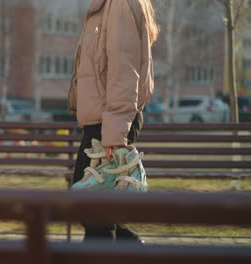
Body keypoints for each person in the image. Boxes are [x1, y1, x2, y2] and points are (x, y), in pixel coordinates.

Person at [67, 0, 159, 242]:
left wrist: (115, 135)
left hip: (109, 121)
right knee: (95, 207)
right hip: (105, 119)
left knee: (91, 206)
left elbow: (123, 70)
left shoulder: (118, 4)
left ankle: (117, 249)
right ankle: (129, 245)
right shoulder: (105, 6)